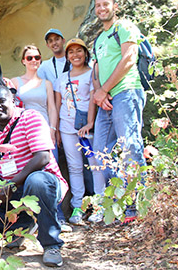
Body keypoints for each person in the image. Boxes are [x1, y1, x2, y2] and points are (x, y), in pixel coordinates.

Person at [0, 85, 68, 267]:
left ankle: (51, 244)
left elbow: (43, 157)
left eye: (1, 101)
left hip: (42, 184)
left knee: (37, 181)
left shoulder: (30, 117)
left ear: (12, 101)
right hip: (10, 189)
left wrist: (11, 184)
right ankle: (19, 227)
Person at [89, 0, 146, 223]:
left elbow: (129, 58)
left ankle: (139, 205)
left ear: (115, 6)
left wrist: (105, 90)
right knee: (101, 151)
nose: (102, 9)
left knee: (130, 146)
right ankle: (120, 200)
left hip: (126, 92)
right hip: (106, 101)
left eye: (106, 4)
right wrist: (99, 93)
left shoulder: (124, 27)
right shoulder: (99, 39)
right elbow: (96, 71)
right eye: (98, 6)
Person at [54, 38, 99, 225]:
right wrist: (56, 130)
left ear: (85, 53)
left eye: (79, 51)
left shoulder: (92, 75)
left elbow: (93, 98)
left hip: (88, 128)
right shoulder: (62, 79)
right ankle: (77, 206)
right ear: (67, 56)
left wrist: (89, 123)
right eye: (71, 52)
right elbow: (57, 106)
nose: (75, 55)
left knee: (96, 165)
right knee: (74, 167)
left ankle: (100, 205)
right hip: (67, 127)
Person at [11, 45, 58, 144]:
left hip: (44, 128)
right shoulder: (15, 82)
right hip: (23, 131)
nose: (34, 60)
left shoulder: (47, 84)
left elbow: (52, 108)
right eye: (29, 58)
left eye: (37, 57)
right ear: (23, 61)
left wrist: (52, 129)